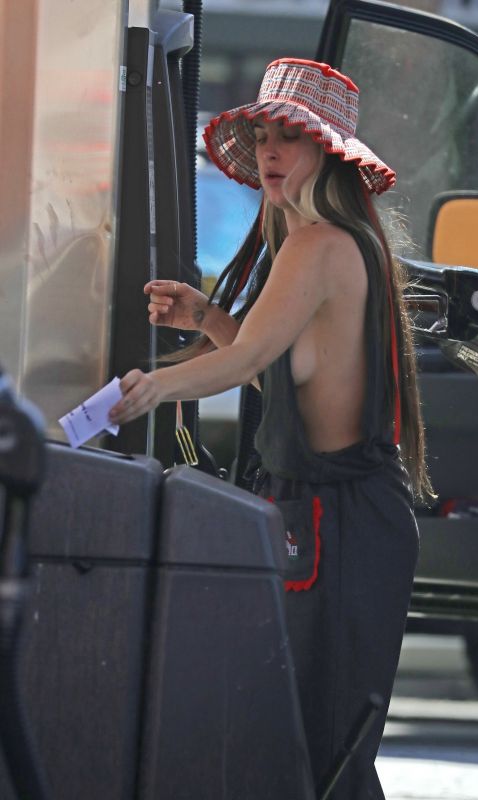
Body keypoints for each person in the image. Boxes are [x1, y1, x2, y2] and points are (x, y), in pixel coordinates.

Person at [110, 57, 430, 799]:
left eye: (289, 135)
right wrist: (208, 320)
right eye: (260, 136)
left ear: (328, 152)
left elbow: (251, 360)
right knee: (318, 752)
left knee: (309, 753)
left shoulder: (316, 246)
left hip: (334, 524)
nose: (269, 153)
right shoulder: (342, 246)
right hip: (344, 522)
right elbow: (281, 373)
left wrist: (148, 388)